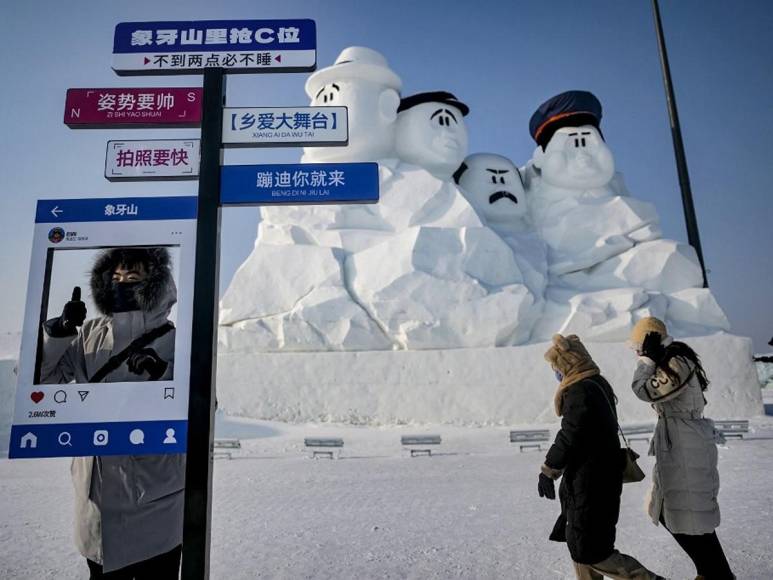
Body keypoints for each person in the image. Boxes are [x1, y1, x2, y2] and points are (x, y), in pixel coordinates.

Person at [40, 247, 184, 579]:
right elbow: (44, 382)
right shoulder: (90, 334)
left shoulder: (177, 341)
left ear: (156, 285)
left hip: (156, 505)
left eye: (133, 278)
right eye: (115, 278)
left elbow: (207, 407)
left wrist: (162, 372)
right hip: (96, 503)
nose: (122, 284)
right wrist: (60, 333)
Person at [539, 333, 662, 580]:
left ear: (567, 365)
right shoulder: (596, 383)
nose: (555, 373)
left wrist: (549, 470)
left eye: (556, 367)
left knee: (592, 550)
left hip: (592, 480)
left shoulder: (580, 390)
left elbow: (570, 434)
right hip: (592, 477)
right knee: (580, 545)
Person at [629, 317, 734, 580]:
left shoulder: (676, 362)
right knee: (679, 513)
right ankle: (711, 572)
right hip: (679, 444)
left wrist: (647, 362)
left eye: (637, 347)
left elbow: (643, 390)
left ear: (648, 343)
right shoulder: (673, 360)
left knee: (688, 516)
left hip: (686, 447)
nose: (635, 352)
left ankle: (715, 573)